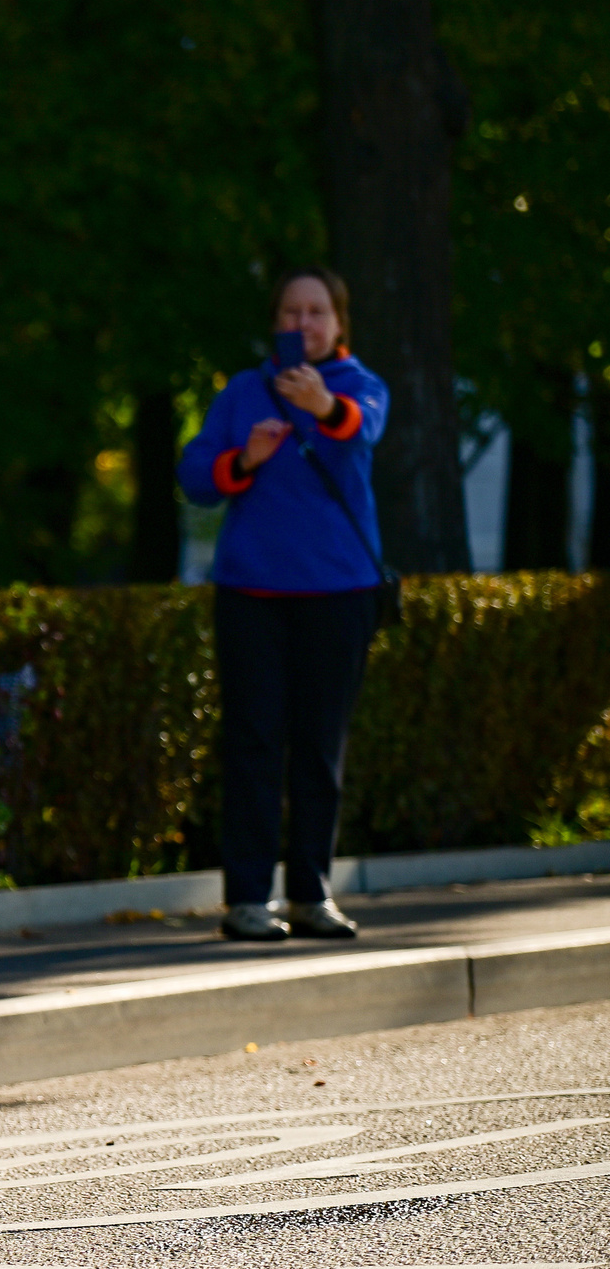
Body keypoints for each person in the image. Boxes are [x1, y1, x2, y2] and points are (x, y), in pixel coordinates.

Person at [178, 267, 390, 943]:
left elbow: (360, 432)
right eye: (292, 312)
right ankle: (246, 899)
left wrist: (321, 406)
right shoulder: (244, 392)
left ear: (339, 324)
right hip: (253, 594)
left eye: (317, 311)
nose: (304, 324)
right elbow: (195, 476)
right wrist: (246, 457)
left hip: (338, 591)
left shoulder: (359, 387)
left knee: (319, 748)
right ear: (276, 323)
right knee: (253, 743)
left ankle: (310, 893)